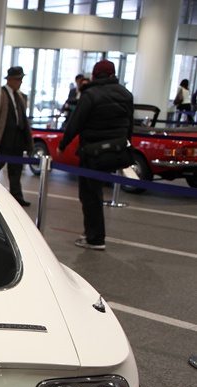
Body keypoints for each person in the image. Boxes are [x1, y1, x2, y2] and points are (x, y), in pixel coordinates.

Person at [57, 59, 133, 251]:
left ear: (95, 75)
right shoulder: (126, 94)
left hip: (92, 153)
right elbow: (129, 125)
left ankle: (95, 238)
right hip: (115, 153)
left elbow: (76, 123)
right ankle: (93, 233)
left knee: (90, 195)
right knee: (97, 193)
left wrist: (63, 145)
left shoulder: (90, 95)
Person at [0, 66, 34, 207]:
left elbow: (24, 119)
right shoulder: (1, 93)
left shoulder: (21, 96)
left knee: (16, 170)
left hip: (18, 139)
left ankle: (17, 196)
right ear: (10, 79)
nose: (20, 82)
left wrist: (29, 143)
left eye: (21, 79)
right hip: (5, 138)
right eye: (18, 79)